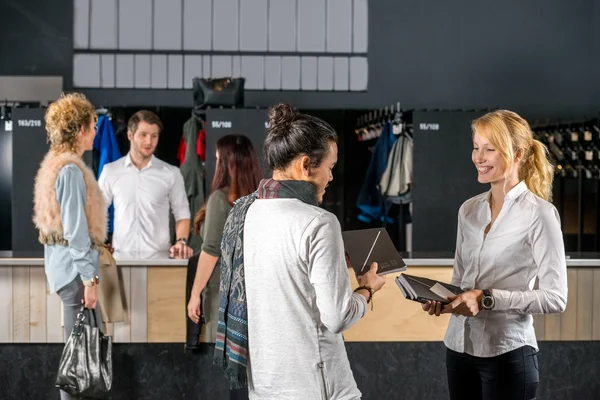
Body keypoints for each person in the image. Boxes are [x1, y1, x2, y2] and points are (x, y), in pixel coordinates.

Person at [213, 103, 386, 400]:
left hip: (265, 385)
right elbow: (338, 317)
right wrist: (366, 289)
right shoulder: (319, 222)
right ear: (306, 165)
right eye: (330, 167)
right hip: (317, 385)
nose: (331, 177)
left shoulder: (244, 213)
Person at [422, 110, 568, 400]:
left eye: (489, 149)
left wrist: (487, 298)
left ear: (517, 154)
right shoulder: (469, 210)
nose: (478, 157)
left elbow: (556, 297)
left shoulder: (540, 214)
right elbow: (461, 281)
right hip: (458, 349)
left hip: (507, 354)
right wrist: (446, 301)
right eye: (476, 147)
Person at [32, 93, 105, 400]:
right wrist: (90, 280)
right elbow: (75, 233)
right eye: (92, 125)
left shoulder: (54, 165)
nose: (95, 130)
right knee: (81, 360)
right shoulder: (72, 171)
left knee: (79, 356)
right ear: (78, 130)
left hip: (65, 272)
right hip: (77, 275)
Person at [186, 134, 262, 400]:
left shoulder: (222, 200)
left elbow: (210, 252)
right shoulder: (261, 198)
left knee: (236, 375)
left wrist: (195, 294)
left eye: (218, 159)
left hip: (229, 298)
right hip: (256, 296)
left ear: (227, 164)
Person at [98, 110, 192, 257]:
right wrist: (99, 242)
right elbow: (98, 211)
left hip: (160, 260)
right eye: (143, 135)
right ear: (130, 135)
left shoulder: (171, 173)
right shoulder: (111, 171)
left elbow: (182, 213)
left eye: (154, 136)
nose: (149, 141)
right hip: (120, 259)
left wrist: (181, 241)